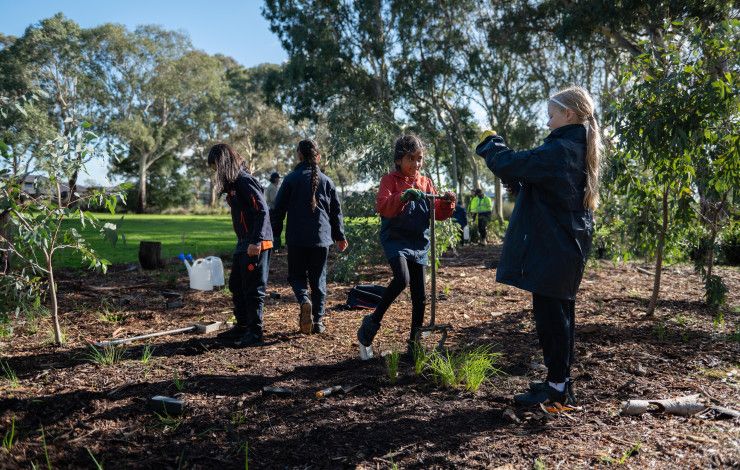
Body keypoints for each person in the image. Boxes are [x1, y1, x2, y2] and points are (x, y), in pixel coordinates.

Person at [475, 85, 602, 407]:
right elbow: (548, 194)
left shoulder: (561, 150)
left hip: (555, 248)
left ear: (568, 115)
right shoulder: (573, 148)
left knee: (552, 320)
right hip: (564, 246)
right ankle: (559, 383)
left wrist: (492, 144)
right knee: (560, 317)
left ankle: (557, 388)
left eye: (551, 115)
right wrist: (521, 185)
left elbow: (509, 163)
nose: (547, 123)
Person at [357, 134, 455, 354]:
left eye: (419, 159)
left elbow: (437, 213)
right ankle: (372, 322)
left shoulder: (425, 182)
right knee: (402, 279)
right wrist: (402, 197)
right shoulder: (389, 180)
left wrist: (448, 202)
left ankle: (414, 344)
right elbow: (383, 207)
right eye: (411, 159)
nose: (416, 164)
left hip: (419, 242)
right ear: (399, 159)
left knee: (420, 296)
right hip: (396, 239)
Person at [272, 139, 348, 334]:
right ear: (318, 157)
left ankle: (304, 299)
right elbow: (335, 212)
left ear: (299, 155)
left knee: (296, 276)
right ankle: (319, 322)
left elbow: (278, 210)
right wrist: (340, 236)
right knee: (319, 279)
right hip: (321, 239)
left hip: (297, 238)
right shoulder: (327, 181)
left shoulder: (290, 179)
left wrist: (275, 238)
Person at [208, 143, 273, 348]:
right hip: (243, 242)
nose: (216, 172)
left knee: (253, 288)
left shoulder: (245, 181)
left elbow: (262, 211)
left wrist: (256, 241)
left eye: (216, 167)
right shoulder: (234, 185)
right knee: (236, 285)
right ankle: (242, 325)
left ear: (225, 163)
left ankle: (255, 332)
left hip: (256, 242)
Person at [264, 171, 283, 250]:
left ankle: (276, 246)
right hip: (273, 211)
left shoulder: (274, 187)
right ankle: (275, 247)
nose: (279, 180)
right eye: (278, 178)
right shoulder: (272, 187)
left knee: (277, 228)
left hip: (273, 211)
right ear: (275, 179)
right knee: (276, 229)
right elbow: (274, 200)